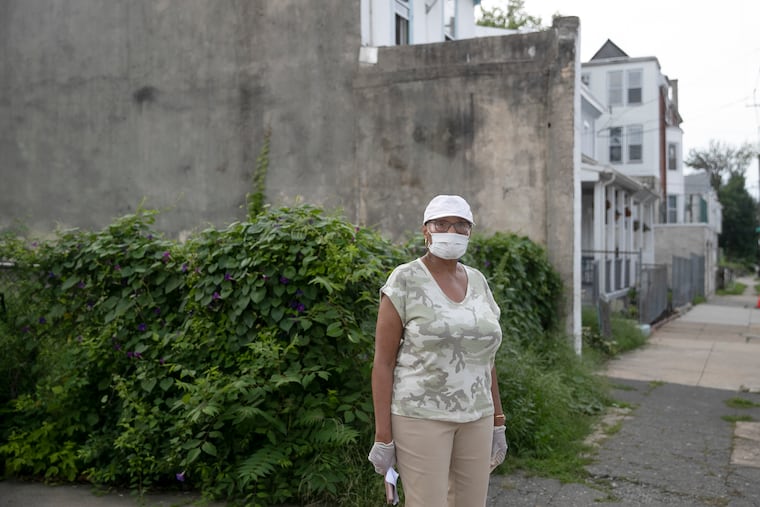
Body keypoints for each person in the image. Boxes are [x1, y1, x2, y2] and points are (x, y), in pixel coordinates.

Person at [368, 194, 508, 506]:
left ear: (470, 232)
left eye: (460, 225)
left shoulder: (479, 281)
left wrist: (498, 419)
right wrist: (383, 435)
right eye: (441, 223)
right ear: (425, 230)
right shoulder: (404, 279)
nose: (451, 231)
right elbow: (383, 363)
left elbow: (486, 358)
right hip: (421, 416)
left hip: (477, 416)